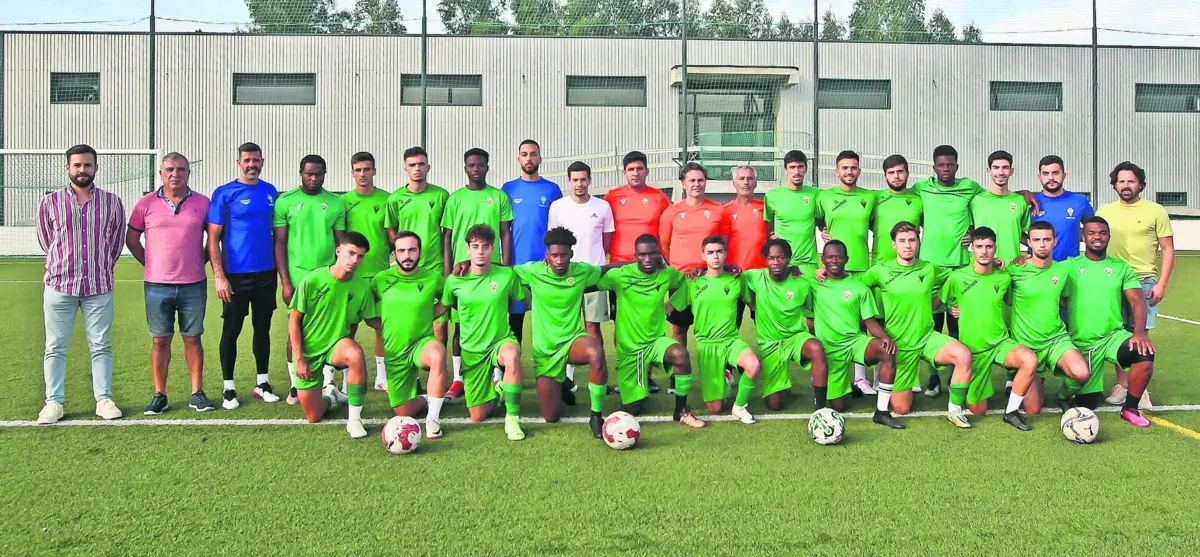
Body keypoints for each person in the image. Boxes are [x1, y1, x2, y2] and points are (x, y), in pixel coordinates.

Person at [35, 144, 127, 424]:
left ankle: (104, 399)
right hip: (59, 285)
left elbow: (115, 242)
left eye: (87, 165)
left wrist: (100, 268)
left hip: (98, 286)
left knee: (100, 345)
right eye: (77, 165)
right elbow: (46, 240)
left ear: (95, 168)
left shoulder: (112, 202)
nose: (82, 170)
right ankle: (54, 402)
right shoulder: (49, 202)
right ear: (68, 168)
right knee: (55, 346)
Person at [860, 222, 976, 428]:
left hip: (927, 338)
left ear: (918, 242)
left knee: (963, 355)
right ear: (893, 244)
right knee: (901, 408)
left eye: (912, 240)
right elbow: (855, 288)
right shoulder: (880, 271)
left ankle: (954, 411)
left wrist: (949, 302)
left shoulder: (929, 268)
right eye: (902, 241)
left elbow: (958, 277)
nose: (908, 245)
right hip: (899, 344)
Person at [126, 152, 215, 414]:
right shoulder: (145, 204)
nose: (175, 174)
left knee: (193, 338)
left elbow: (214, 239)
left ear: (189, 173)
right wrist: (150, 263)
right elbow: (132, 239)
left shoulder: (203, 203)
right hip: (156, 286)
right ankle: (160, 394)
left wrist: (201, 262)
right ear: (161, 173)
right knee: (160, 341)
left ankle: (197, 393)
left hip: (193, 284)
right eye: (169, 169)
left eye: (181, 169)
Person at [598, 234, 705, 428]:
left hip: (655, 343)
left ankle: (681, 410)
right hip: (629, 350)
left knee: (680, 354)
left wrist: (671, 306)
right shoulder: (620, 275)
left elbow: (684, 282)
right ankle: (638, 387)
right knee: (633, 410)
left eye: (652, 254)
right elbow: (592, 276)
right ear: (635, 255)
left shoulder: (666, 274)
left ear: (659, 254)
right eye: (642, 255)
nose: (647, 259)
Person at [512, 227, 611, 438]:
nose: (559, 260)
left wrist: (640, 262)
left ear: (571, 254)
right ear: (547, 256)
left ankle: (596, 416)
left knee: (596, 352)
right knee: (551, 417)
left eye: (564, 255)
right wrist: (467, 263)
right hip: (545, 350)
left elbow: (607, 269)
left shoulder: (582, 271)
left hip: (573, 340)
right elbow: (504, 271)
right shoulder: (533, 271)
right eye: (554, 255)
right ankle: (561, 387)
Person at [939, 227, 1038, 430]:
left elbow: (1012, 301)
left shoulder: (1004, 278)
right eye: (979, 246)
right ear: (971, 250)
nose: (984, 251)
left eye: (989, 246)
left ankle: (1011, 412)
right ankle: (962, 383)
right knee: (978, 410)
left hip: (1000, 342)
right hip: (973, 350)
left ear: (995, 249)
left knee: (1029, 359)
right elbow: (944, 301)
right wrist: (953, 308)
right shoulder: (957, 278)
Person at [1061, 216, 1156, 427]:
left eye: (1102, 233)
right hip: (1082, 343)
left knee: (1144, 352)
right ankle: (1065, 395)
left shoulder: (1120, 267)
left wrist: (1139, 332)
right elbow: (1052, 289)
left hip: (1113, 336)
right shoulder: (1069, 266)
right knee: (1087, 403)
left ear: (1108, 237)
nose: (1097, 237)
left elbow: (1137, 301)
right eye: (1092, 233)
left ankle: (1130, 408)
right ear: (1084, 237)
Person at [207, 142, 281, 409]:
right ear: (239, 162)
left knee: (263, 329)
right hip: (235, 276)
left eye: (256, 160)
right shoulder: (225, 193)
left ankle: (262, 383)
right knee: (232, 330)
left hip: (266, 274)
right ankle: (229, 388)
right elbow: (212, 238)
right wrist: (219, 276)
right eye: (247, 160)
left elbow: (277, 235)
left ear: (262, 161)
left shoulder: (270, 191)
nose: (252, 165)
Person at [1096, 161, 1173, 410]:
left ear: (1140, 183)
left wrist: (1161, 284)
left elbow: (1168, 249)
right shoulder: (1105, 210)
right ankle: (1121, 386)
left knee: (1140, 334)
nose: (1126, 185)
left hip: (1143, 280)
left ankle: (1141, 390)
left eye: (1130, 181)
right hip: (1111, 279)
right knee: (1119, 334)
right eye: (1121, 181)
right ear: (1114, 185)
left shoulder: (1156, 211)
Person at [273, 155, 348, 403]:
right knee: (296, 329)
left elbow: (341, 244)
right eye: (309, 174)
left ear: (325, 173)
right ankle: (295, 384)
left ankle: (328, 382)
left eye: (319, 174)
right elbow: (280, 244)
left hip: (328, 277)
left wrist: (341, 275)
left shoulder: (335, 203)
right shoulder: (285, 202)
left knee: (329, 329)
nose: (314, 178)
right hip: (297, 277)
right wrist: (285, 281)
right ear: (301, 173)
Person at [441, 148, 513, 403]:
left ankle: (496, 375)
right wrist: (449, 272)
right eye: (471, 165)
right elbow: (447, 237)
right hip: (464, 275)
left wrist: (507, 266)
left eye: (480, 165)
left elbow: (505, 233)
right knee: (461, 327)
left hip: (492, 272)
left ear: (487, 167)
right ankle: (459, 377)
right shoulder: (455, 199)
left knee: (494, 324)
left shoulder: (498, 196)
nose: (476, 169)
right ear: (465, 167)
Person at [441, 225, 526, 441]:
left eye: (486, 247)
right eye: (475, 246)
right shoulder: (454, 281)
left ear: (492, 249)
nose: (480, 251)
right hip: (472, 350)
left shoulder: (506, 275)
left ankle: (512, 419)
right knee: (477, 416)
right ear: (468, 249)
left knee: (512, 355)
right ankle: (498, 392)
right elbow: (445, 306)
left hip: (500, 341)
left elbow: (528, 298)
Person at [288, 232, 376, 438]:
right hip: (309, 352)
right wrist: (299, 359)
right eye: (351, 253)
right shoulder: (312, 280)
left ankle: (354, 420)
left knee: (354, 354)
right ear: (338, 251)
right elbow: (293, 320)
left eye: (360, 256)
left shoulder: (362, 288)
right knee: (314, 416)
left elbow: (367, 321)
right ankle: (331, 397)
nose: (355, 260)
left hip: (337, 346)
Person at [808, 241, 903, 429]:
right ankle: (843, 386)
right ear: (823, 259)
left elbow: (868, 321)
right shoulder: (813, 283)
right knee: (839, 406)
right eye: (830, 256)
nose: (834, 260)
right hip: (829, 349)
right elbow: (789, 275)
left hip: (854, 342)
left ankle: (881, 412)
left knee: (887, 352)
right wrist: (808, 272)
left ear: (846, 259)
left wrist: (884, 337)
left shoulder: (859, 287)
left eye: (839, 256)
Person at [910, 145, 979, 396]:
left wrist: (973, 232)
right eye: (941, 164)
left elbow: (992, 200)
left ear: (957, 166)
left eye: (950, 164)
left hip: (961, 268)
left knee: (960, 324)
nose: (946, 169)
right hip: (932, 268)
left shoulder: (970, 187)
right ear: (934, 167)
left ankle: (955, 376)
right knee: (933, 325)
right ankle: (933, 378)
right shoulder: (922, 188)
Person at [366, 232, 449, 438]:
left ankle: (433, 420)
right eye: (401, 251)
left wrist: (426, 316)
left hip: (422, 344)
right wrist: (383, 326)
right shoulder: (381, 280)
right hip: (395, 351)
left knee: (437, 353)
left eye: (412, 250)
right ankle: (426, 398)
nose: (407, 255)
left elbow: (446, 301)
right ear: (394, 254)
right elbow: (367, 311)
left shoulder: (432, 278)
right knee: (403, 412)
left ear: (420, 252)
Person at [671, 236, 761, 423]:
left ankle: (739, 407)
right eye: (710, 253)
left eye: (719, 251)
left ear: (725, 254)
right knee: (715, 409)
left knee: (753, 365)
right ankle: (726, 375)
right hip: (707, 345)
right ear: (703, 255)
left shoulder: (737, 279)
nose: (715, 256)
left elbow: (752, 304)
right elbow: (671, 306)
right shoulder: (692, 282)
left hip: (730, 340)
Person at [1006, 221, 1093, 415]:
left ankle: (1061, 397)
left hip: (1055, 340)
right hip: (1027, 345)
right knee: (1033, 410)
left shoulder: (1062, 271)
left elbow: (1065, 301)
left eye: (1047, 239)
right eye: (1036, 240)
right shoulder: (1015, 270)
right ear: (1028, 243)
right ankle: (1032, 378)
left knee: (1081, 373)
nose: (1042, 244)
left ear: (1055, 241)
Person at [604, 151, 671, 394]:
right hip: (621, 271)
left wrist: (665, 259)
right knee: (621, 326)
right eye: (631, 169)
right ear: (624, 172)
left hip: (650, 270)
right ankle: (626, 375)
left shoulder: (659, 198)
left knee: (649, 324)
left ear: (646, 171)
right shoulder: (612, 197)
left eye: (639, 168)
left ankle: (647, 375)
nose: (635, 173)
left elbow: (665, 233)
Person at [547, 161, 614, 396]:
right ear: (569, 181)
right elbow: (554, 239)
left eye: (583, 179)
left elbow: (606, 242)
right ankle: (567, 379)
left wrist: (593, 265)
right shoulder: (558, 207)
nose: (579, 184)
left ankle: (601, 379)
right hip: (566, 279)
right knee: (567, 328)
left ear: (589, 180)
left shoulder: (603, 206)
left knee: (593, 329)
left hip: (593, 277)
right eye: (575, 180)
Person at [742, 239, 830, 411]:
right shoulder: (755, 277)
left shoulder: (802, 283)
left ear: (789, 258)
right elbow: (731, 276)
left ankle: (820, 407)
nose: (776, 262)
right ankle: (782, 387)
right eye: (771, 258)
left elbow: (812, 311)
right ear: (765, 259)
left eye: (781, 257)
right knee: (774, 405)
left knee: (816, 348)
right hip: (770, 343)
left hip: (795, 337)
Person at [817, 150, 877, 396]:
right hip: (832, 269)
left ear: (859, 171)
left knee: (866, 322)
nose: (849, 172)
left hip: (863, 267)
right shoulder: (824, 197)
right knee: (836, 323)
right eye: (844, 168)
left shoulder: (871, 197)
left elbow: (877, 226)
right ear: (836, 171)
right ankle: (825, 372)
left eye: (853, 168)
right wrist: (822, 232)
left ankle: (862, 378)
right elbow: (817, 222)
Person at [384, 146, 450, 347]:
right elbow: (391, 229)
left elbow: (447, 233)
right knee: (409, 320)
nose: (417, 169)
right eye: (412, 165)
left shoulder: (441, 195)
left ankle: (436, 375)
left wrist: (447, 268)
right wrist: (401, 256)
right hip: (408, 270)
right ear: (405, 168)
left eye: (421, 164)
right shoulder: (395, 199)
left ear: (428, 167)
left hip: (435, 266)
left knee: (439, 324)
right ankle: (411, 373)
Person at [659, 163, 730, 349]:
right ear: (683, 183)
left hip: (710, 279)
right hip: (681, 280)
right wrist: (678, 267)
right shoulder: (671, 211)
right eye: (692, 180)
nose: (696, 184)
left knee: (712, 326)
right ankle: (679, 373)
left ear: (706, 182)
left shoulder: (718, 210)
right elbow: (664, 245)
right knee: (679, 329)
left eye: (700, 180)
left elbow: (723, 244)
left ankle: (719, 368)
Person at [502, 140, 563, 346]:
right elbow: (505, 230)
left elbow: (557, 229)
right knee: (514, 323)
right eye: (525, 154)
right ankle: (511, 371)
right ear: (518, 158)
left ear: (540, 158)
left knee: (545, 323)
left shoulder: (552, 189)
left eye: (533, 154)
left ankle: (548, 372)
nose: (529, 158)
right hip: (517, 268)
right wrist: (506, 262)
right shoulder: (508, 189)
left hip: (545, 268)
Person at [340, 152, 390, 391]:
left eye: (367, 169)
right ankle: (343, 378)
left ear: (374, 171)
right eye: (358, 170)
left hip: (379, 274)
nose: (363, 174)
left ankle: (382, 377)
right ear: (352, 172)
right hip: (353, 276)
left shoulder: (387, 200)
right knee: (347, 327)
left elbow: (392, 236)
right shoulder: (345, 202)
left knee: (381, 325)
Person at [724, 165, 767, 329]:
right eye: (741, 178)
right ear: (734, 183)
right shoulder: (725, 211)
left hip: (761, 276)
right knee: (732, 324)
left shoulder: (765, 209)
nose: (746, 182)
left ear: (755, 183)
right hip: (734, 276)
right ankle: (730, 354)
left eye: (750, 178)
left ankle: (770, 354)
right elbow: (721, 244)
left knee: (764, 323)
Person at [970, 151, 1031, 263]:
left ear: (1011, 171)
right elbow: (969, 228)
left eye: (1005, 167)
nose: (1001, 172)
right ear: (989, 171)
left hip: (1013, 266)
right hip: (984, 268)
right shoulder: (975, 201)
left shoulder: (1021, 201)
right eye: (996, 167)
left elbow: (1020, 232)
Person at [765, 150, 820, 271]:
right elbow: (768, 225)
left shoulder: (816, 194)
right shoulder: (772, 196)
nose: (796, 171)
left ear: (806, 168)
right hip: (783, 264)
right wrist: (771, 238)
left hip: (808, 264)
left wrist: (825, 230)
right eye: (792, 167)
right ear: (785, 170)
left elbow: (822, 222)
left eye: (800, 167)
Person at [1031, 155, 1093, 262]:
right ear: (1039, 176)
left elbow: (1093, 229)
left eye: (1055, 173)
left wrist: (1073, 234)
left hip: (1070, 268)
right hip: (1038, 269)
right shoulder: (1030, 203)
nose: (1051, 178)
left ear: (1064, 175)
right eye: (1046, 173)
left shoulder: (1079, 201)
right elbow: (1016, 231)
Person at [871, 155, 923, 265]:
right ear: (885, 176)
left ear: (907, 174)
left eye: (900, 171)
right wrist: (825, 228)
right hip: (881, 266)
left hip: (911, 267)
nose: (896, 176)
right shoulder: (874, 199)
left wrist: (968, 231)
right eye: (891, 172)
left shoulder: (919, 200)